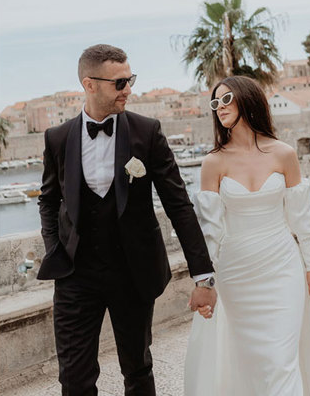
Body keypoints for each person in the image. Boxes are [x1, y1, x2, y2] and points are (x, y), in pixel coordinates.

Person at [37, 44, 216, 396]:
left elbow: (178, 203)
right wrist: (55, 249)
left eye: (130, 80)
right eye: (120, 83)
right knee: (74, 377)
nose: (128, 90)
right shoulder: (57, 138)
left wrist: (203, 275)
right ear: (90, 84)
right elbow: (48, 200)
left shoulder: (147, 132)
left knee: (137, 367)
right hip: (76, 275)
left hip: (133, 271)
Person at [185, 75, 310, 395]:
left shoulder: (283, 154)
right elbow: (211, 232)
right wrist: (205, 283)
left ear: (248, 99)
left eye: (227, 99)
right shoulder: (213, 162)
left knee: (281, 359)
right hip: (237, 273)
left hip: (282, 266)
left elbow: (302, 218)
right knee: (252, 360)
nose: (220, 108)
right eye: (215, 103)